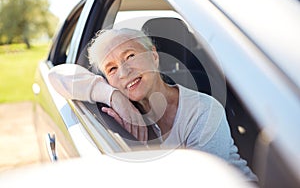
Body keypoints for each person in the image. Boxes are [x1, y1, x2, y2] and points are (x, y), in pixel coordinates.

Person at [48, 28, 258, 181]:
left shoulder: (203, 112)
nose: (123, 72)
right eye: (111, 69)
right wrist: (114, 97)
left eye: (130, 56)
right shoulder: (120, 105)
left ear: (154, 56)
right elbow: (56, 74)